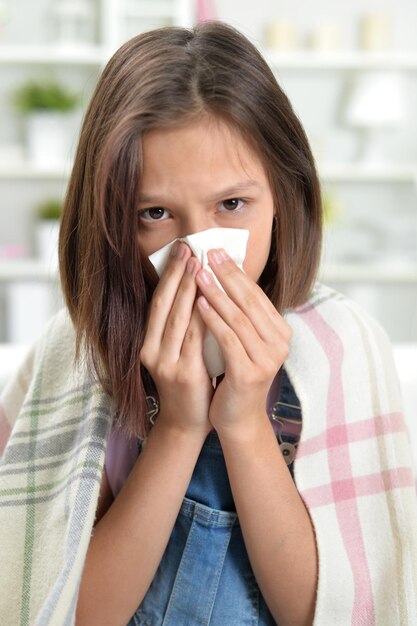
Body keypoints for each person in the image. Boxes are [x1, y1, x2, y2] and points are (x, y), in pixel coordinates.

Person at [0, 21, 416, 626]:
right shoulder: (78, 353)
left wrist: (244, 419)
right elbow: (63, 610)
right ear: (113, 220)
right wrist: (177, 426)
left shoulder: (345, 347)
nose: (197, 251)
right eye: (156, 213)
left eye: (232, 205)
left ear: (286, 194)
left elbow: (336, 612)